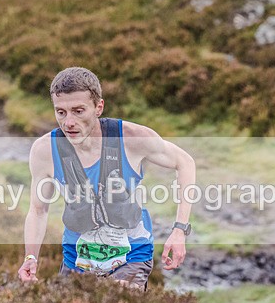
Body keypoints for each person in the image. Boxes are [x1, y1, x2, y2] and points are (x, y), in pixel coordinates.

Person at [17, 67, 196, 291]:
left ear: (98, 107)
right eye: (61, 112)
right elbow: (38, 210)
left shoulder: (131, 138)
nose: (69, 122)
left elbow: (185, 162)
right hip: (77, 260)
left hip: (131, 255)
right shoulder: (45, 150)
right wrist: (30, 257)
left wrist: (179, 230)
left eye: (78, 111)